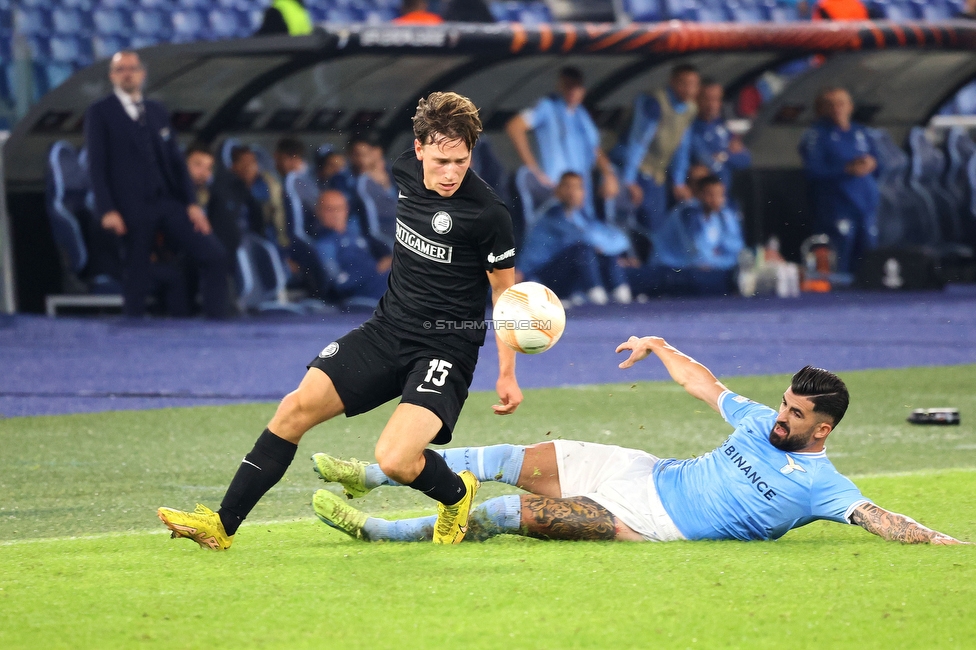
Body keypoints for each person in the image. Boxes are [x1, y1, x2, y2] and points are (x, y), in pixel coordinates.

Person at [158, 91, 522, 549]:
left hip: (445, 348)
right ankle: (221, 525)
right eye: (441, 160)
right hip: (386, 331)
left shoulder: (489, 213)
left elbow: (504, 292)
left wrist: (507, 372)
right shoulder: (403, 171)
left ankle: (455, 493)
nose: (450, 173)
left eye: (461, 161)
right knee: (293, 408)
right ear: (418, 149)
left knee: (394, 459)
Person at [310, 337, 968, 546]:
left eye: (795, 415)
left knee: (500, 513)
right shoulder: (757, 420)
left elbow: (883, 520)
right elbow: (705, 384)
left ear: (821, 430)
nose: (781, 417)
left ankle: (371, 532)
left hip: (647, 521)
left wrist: (948, 543)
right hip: (643, 469)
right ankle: (367, 474)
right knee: (505, 459)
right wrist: (659, 346)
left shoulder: (826, 486)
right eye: (785, 404)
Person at [85, 51, 229, 319]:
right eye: (121, 69)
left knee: (213, 254)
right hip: (130, 205)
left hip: (167, 201)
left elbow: (176, 162)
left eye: (132, 68)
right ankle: (133, 331)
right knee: (136, 271)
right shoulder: (100, 112)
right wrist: (107, 209)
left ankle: (216, 321)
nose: (127, 73)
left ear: (142, 73)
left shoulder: (156, 111)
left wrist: (192, 204)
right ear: (112, 76)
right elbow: (97, 165)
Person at [506, 66, 619, 219]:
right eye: (568, 86)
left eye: (576, 87)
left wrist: (608, 174)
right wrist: (534, 170)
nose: (572, 91)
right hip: (556, 192)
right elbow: (515, 126)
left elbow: (595, 149)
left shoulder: (582, 115)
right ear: (559, 86)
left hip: (581, 196)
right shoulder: (547, 106)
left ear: (583, 90)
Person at [799, 87, 879, 275]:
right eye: (831, 105)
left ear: (850, 107)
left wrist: (870, 164)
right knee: (840, 257)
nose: (837, 108)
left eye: (841, 103)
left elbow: (878, 161)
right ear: (822, 109)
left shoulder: (861, 132)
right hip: (837, 207)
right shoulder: (816, 135)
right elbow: (812, 170)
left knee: (869, 255)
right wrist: (846, 169)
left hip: (865, 205)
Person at [520, 171, 631, 305]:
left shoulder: (581, 217)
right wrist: (604, 246)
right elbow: (585, 239)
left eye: (578, 187)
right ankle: (597, 297)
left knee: (605, 254)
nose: (573, 192)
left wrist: (607, 248)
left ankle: (622, 294)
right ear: (557, 191)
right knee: (582, 251)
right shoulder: (551, 216)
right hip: (540, 277)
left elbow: (619, 239)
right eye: (567, 186)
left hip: (564, 276)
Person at [629, 174, 743, 297]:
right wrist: (721, 261)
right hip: (669, 268)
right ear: (699, 195)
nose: (716, 199)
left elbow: (733, 248)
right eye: (710, 194)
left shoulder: (719, 216)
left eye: (720, 195)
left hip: (692, 270)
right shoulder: (688, 213)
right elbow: (697, 254)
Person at [620, 64, 700, 234]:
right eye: (683, 83)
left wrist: (679, 181)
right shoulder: (655, 103)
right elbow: (638, 142)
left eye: (693, 85)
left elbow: (682, 147)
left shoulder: (691, 109)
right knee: (635, 226)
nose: (688, 89)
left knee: (658, 228)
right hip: (636, 170)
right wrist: (629, 181)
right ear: (672, 82)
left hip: (657, 175)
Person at [312, 189, 391, 304]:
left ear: (346, 210)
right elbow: (339, 283)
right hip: (361, 297)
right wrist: (376, 270)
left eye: (339, 209)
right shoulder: (324, 245)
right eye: (329, 209)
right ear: (318, 212)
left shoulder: (356, 234)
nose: (335, 214)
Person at [691, 81, 751, 193]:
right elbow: (705, 159)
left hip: (723, 198)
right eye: (707, 99)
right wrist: (727, 154)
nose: (712, 104)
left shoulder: (723, 126)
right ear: (697, 99)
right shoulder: (692, 128)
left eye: (716, 99)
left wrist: (724, 156)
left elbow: (745, 159)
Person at [185, 143, 215, 209]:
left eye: (209, 168)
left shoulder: (209, 196)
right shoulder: (169, 195)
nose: (204, 173)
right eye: (198, 165)